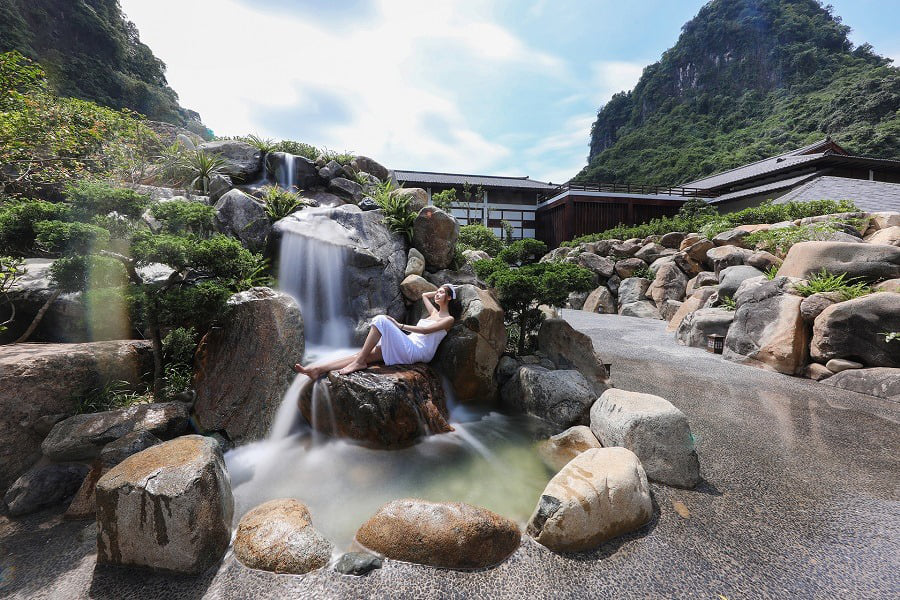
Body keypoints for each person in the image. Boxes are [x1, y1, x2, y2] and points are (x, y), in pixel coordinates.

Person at [293, 284, 461, 378]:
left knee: (381, 319)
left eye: (441, 293)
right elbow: (424, 295)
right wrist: (441, 289)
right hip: (409, 343)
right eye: (437, 292)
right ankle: (318, 369)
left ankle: (358, 362)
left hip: (418, 351)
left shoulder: (448, 319)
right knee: (363, 355)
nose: (437, 294)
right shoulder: (434, 312)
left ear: (449, 297)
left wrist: (399, 325)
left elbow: (426, 331)